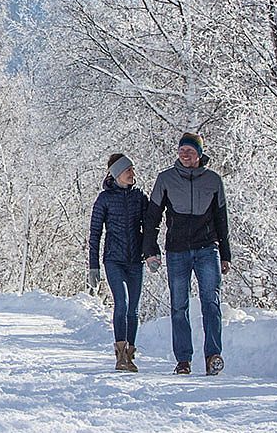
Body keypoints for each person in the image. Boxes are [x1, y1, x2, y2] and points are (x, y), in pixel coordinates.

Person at [143, 133, 233, 376]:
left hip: (207, 249)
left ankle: (213, 356)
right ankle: (183, 360)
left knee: (211, 302)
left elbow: (221, 219)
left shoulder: (214, 180)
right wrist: (151, 250)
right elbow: (152, 218)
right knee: (178, 306)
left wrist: (225, 254)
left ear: (199, 154)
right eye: (182, 150)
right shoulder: (165, 179)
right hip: (177, 250)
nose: (185, 154)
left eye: (190, 151)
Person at [88, 152, 147, 372]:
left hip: (135, 260)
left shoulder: (139, 197)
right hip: (114, 259)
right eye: (128, 170)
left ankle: (130, 354)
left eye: (132, 170)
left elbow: (150, 227)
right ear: (117, 174)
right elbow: (95, 233)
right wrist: (93, 265)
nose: (132, 174)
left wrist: (151, 252)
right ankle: (120, 354)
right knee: (121, 303)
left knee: (133, 308)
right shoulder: (104, 199)